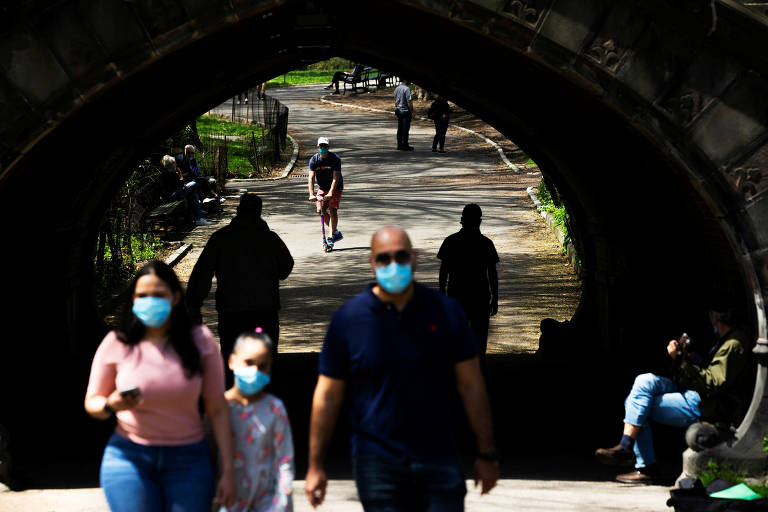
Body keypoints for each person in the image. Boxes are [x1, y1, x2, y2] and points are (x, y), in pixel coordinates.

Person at [305, 225, 499, 510]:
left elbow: (471, 386)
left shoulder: (446, 314)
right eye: (384, 258)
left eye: (401, 257)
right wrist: (314, 465)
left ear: (414, 259)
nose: (393, 265)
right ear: (372, 264)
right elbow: (328, 396)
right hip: (377, 463)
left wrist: (486, 452)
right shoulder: (349, 321)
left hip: (439, 457)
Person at [84, 260, 236, 512]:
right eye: (142, 295)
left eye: (158, 295)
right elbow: (93, 403)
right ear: (132, 300)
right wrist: (111, 404)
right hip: (128, 459)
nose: (149, 301)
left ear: (175, 297)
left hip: (189, 460)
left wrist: (229, 470)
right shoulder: (117, 342)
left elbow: (218, 409)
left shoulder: (200, 341)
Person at [595, 308, 752, 484]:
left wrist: (681, 361)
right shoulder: (722, 339)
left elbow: (713, 384)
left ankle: (642, 463)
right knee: (643, 381)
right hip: (689, 387)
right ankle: (626, 446)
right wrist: (688, 355)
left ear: (714, 316)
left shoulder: (735, 343)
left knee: (635, 403)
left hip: (704, 401)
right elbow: (708, 367)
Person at [186, 193, 294, 386]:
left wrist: (194, 304)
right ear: (259, 212)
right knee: (265, 363)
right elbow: (286, 267)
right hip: (264, 311)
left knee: (232, 361)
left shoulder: (221, 238)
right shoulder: (270, 239)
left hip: (232, 312)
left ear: (238, 211)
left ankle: (231, 405)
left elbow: (202, 273)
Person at [224, 329, 294, 511]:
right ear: (232, 361)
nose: (254, 370)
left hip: (268, 502)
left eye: (262, 366)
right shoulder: (220, 408)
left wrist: (281, 503)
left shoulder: (274, 408)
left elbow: (284, 459)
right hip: (228, 500)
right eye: (248, 362)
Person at [438, 204, 499, 364]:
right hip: (480, 296)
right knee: (479, 338)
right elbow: (492, 274)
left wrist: (442, 294)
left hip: (456, 295)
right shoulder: (486, 244)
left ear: (462, 221)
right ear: (479, 221)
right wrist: (495, 298)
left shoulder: (451, 242)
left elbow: (443, 272)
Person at [307, 137, 344, 245]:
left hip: (336, 187)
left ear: (328, 147)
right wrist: (311, 194)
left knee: (333, 209)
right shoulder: (314, 160)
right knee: (320, 210)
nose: (323, 148)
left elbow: (335, 177)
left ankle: (330, 236)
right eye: (321, 146)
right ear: (318, 147)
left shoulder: (335, 158)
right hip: (322, 187)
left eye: (325, 146)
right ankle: (335, 232)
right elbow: (311, 177)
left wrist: (331, 192)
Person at [160, 154, 211, 226]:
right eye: (175, 163)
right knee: (193, 184)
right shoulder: (166, 174)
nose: (176, 164)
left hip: (175, 193)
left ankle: (198, 217)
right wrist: (180, 175)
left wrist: (179, 176)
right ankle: (199, 215)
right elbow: (178, 186)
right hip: (170, 196)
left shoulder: (172, 172)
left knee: (192, 194)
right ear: (171, 164)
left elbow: (181, 184)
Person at [394, 79, 414, 151]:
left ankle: (399, 144)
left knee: (400, 128)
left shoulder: (397, 88)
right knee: (405, 129)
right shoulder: (407, 88)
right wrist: (412, 111)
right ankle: (405, 145)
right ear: (405, 80)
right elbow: (409, 101)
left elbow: (395, 100)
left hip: (398, 110)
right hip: (405, 111)